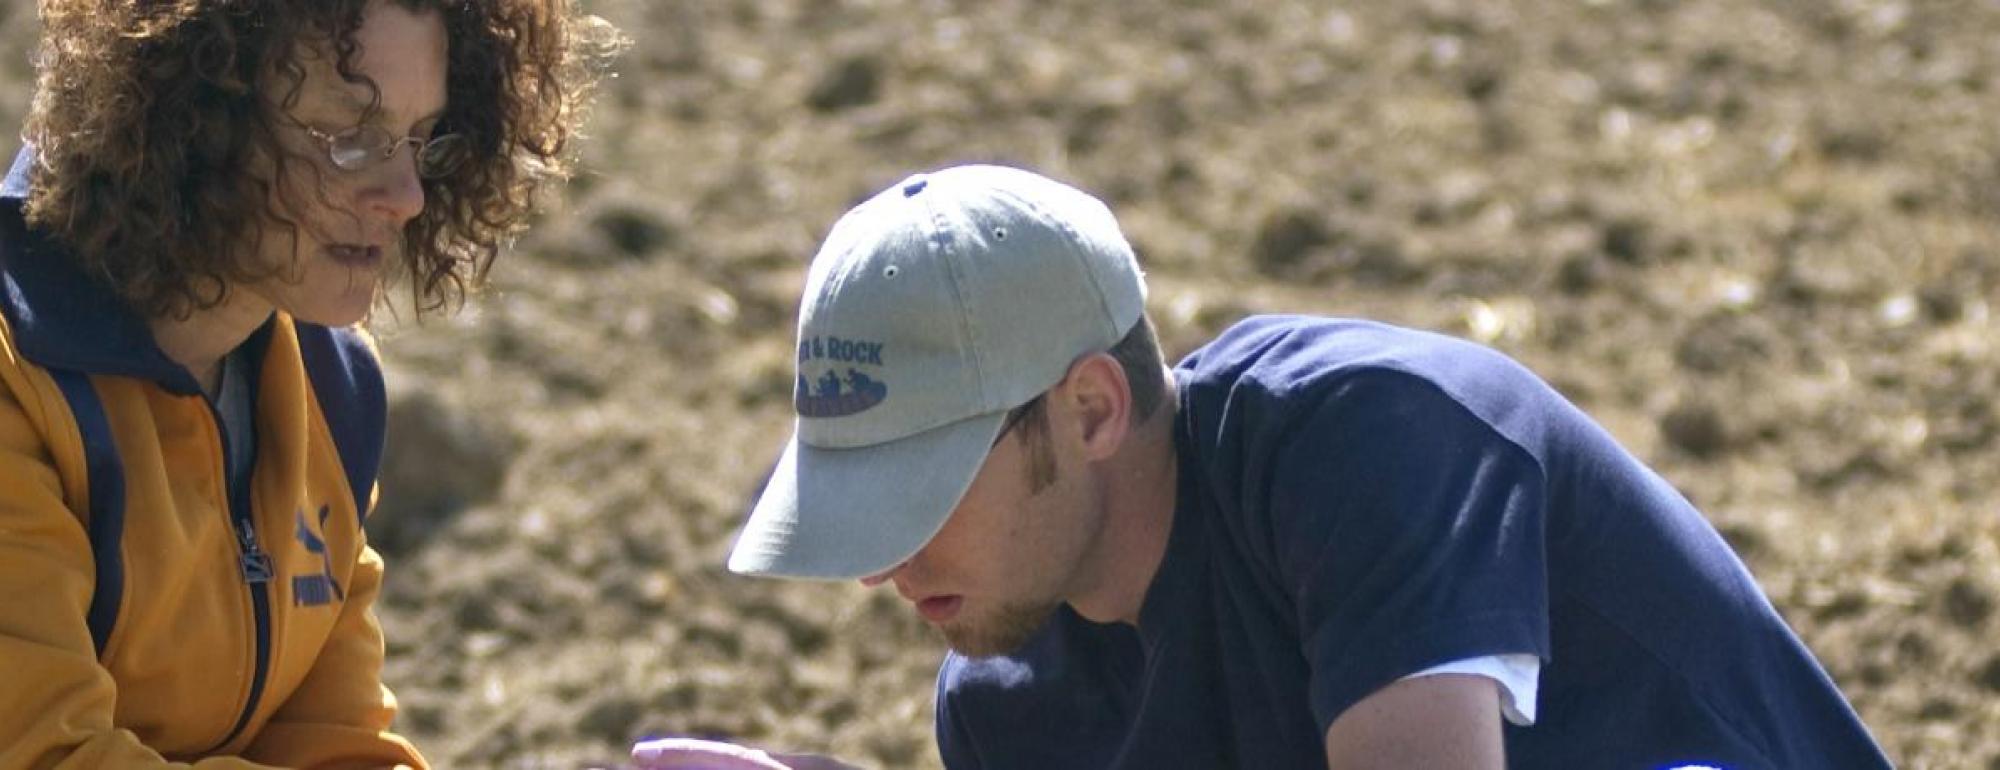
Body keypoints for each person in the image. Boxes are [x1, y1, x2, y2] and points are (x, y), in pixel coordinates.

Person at [720, 165, 1893, 768]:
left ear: (1088, 408)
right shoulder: (1000, 701)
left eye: (916, 491)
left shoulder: (1363, 439)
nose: (881, 564)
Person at [0, 0, 616, 765]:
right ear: (195, 118)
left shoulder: (330, 385)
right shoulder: (17, 384)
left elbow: (339, 745)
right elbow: (45, 756)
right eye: (351, 140)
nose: (407, 194)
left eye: (420, 140)